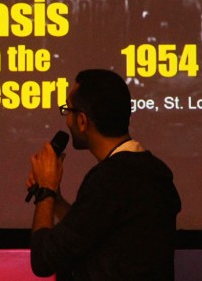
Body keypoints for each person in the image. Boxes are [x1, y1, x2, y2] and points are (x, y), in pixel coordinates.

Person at [26, 68, 182, 279]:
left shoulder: (109, 179)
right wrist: (58, 201)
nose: (67, 120)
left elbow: (43, 260)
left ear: (82, 121)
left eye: (68, 110)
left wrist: (46, 191)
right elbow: (90, 229)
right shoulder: (151, 170)